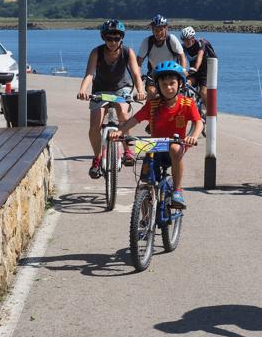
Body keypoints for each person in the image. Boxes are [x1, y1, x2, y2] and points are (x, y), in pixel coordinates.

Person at [110, 61, 203, 209]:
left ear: (180, 83)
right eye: (164, 84)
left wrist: (193, 136)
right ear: (158, 86)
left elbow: (198, 122)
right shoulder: (153, 104)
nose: (168, 87)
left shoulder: (187, 103)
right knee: (145, 183)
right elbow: (135, 119)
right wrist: (120, 131)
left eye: (172, 83)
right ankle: (145, 220)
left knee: (174, 148)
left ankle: (177, 190)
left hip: (176, 146)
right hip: (155, 145)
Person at [77, 19, 146, 179]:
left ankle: (127, 149)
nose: (113, 42)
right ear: (103, 38)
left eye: (116, 38)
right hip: (100, 89)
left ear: (122, 38)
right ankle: (97, 158)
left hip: (122, 88)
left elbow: (136, 74)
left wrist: (141, 91)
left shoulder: (128, 52)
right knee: (95, 125)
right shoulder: (96, 52)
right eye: (109, 38)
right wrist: (82, 90)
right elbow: (89, 73)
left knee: (123, 113)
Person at [137, 14, 186, 98]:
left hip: (172, 72)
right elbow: (138, 64)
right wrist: (138, 76)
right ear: (152, 30)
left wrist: (183, 72)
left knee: (174, 96)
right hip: (154, 74)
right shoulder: (147, 42)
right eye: (156, 30)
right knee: (152, 93)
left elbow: (182, 58)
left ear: (166, 29)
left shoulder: (171, 39)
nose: (158, 33)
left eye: (161, 29)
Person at [180, 26, 216, 108]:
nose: (186, 42)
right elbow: (182, 60)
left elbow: (199, 57)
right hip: (194, 72)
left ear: (193, 38)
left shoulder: (200, 44)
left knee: (203, 93)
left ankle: (209, 112)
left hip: (205, 72)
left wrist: (195, 68)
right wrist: (182, 70)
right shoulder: (183, 47)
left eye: (188, 39)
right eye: (184, 39)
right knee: (185, 84)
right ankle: (190, 102)